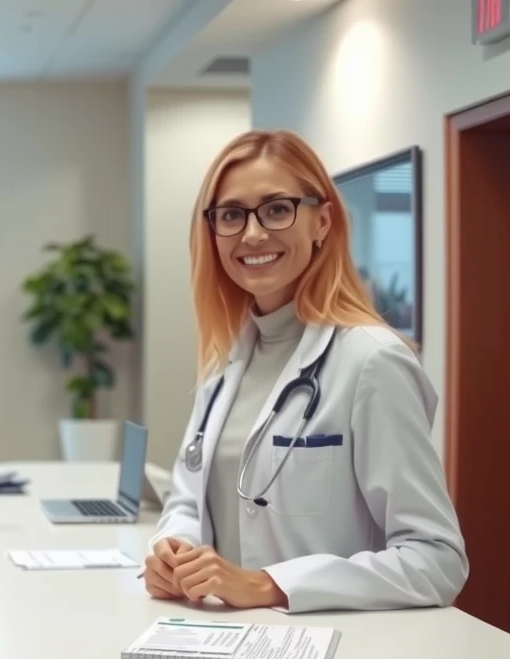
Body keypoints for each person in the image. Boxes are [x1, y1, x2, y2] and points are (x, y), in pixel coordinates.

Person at [144, 129, 467, 614]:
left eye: (276, 209)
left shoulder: (373, 361)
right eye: (231, 215)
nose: (252, 234)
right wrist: (175, 552)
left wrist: (271, 585)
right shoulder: (225, 361)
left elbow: (436, 560)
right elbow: (188, 501)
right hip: (222, 643)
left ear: (322, 221)